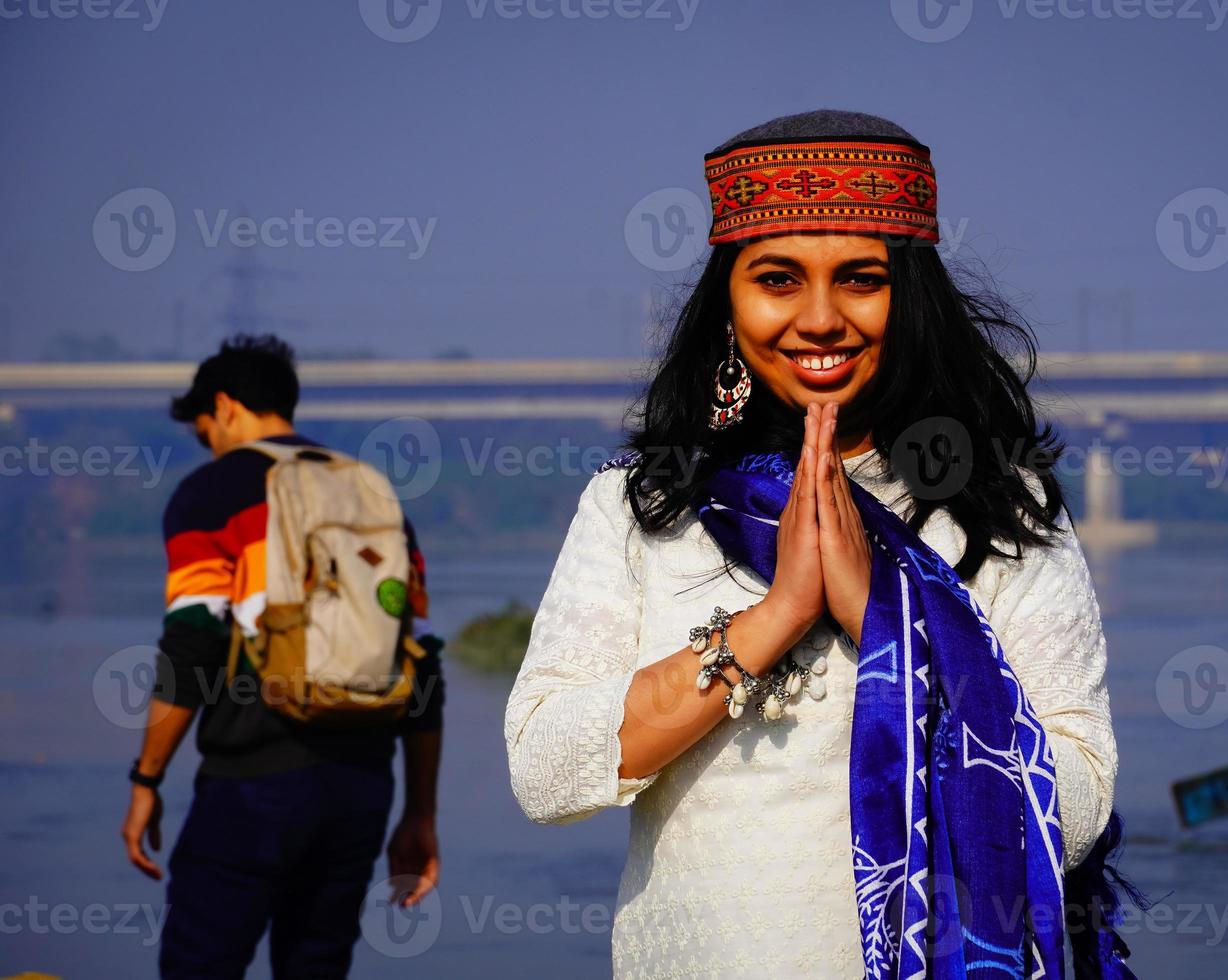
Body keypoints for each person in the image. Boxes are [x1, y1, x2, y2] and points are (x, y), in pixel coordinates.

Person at [505, 110, 1136, 978]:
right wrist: (774, 618)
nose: (820, 318)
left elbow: (1082, 804)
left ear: (911, 298)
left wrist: (878, 614)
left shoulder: (998, 508)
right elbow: (545, 773)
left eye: (861, 280)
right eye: (778, 279)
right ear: (729, 298)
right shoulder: (642, 505)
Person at [121, 334, 445, 979]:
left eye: (205, 429)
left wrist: (147, 780)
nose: (209, 442)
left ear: (225, 406)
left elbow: (192, 647)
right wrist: (419, 813)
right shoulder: (371, 492)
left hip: (253, 784)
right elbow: (419, 663)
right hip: (361, 789)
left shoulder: (212, 493)